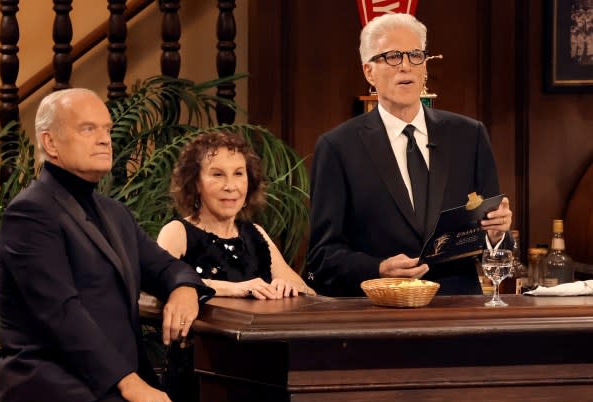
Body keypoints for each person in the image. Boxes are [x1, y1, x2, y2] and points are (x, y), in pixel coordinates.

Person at [0, 88, 214, 402]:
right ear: (50, 143)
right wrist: (128, 382)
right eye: (88, 129)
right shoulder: (30, 212)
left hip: (109, 385)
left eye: (107, 129)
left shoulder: (115, 213)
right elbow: (62, 316)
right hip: (56, 393)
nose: (104, 139)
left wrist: (184, 288)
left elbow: (165, 267)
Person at [306, 13, 513, 297]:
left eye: (415, 55)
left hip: (456, 311)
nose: (405, 66)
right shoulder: (338, 147)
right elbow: (321, 258)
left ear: (425, 66)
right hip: (377, 313)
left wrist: (496, 233)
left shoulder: (469, 136)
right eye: (392, 57)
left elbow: (496, 237)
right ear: (369, 72)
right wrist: (378, 268)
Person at [157, 131, 313, 299]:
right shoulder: (177, 232)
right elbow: (158, 283)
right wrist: (234, 289)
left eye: (238, 174)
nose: (230, 186)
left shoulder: (256, 234)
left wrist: (287, 286)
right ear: (195, 183)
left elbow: (310, 293)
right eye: (218, 174)